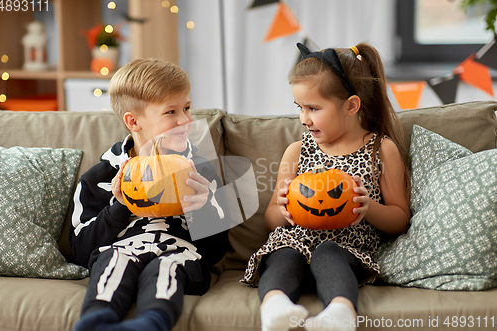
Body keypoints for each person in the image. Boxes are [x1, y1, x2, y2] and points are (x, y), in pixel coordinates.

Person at [241, 42, 411, 331]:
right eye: (300, 108)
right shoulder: (296, 151)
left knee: (329, 252)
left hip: (347, 249)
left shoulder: (381, 150)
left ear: (351, 106)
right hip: (296, 242)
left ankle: (341, 312)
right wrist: (282, 210)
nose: (303, 118)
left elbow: (400, 219)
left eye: (313, 108)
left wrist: (369, 208)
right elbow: (271, 221)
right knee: (283, 254)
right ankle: (275, 306)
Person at [69, 58, 230, 331]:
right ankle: (95, 323)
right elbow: (81, 251)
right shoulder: (99, 178)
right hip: (121, 249)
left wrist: (202, 210)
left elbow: (215, 254)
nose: (186, 120)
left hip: (181, 254)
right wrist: (119, 207)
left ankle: (150, 324)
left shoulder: (199, 172)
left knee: (167, 264)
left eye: (187, 108)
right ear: (133, 121)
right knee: (114, 259)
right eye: (171, 112)